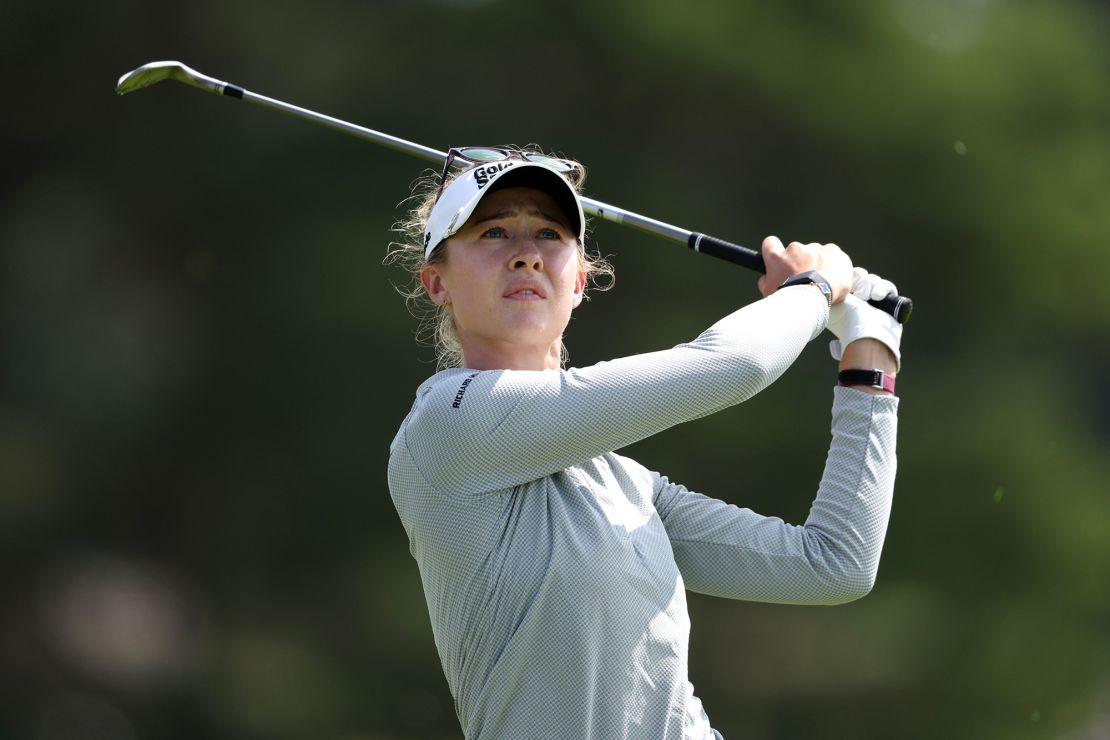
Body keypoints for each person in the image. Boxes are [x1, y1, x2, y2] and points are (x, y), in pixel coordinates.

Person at [386, 147, 902, 740]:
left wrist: (870, 352)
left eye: (550, 234)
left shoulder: (628, 487)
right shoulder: (448, 425)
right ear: (436, 283)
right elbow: (734, 367)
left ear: (580, 281)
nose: (526, 254)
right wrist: (815, 290)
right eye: (494, 232)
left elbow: (833, 565)